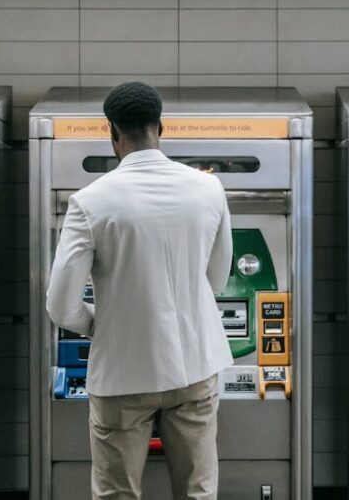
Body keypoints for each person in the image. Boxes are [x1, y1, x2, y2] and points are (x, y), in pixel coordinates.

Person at [46, 82, 233, 500]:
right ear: (160, 127)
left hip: (122, 376)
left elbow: (60, 305)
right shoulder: (209, 188)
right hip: (196, 367)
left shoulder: (89, 202)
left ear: (112, 133)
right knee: (198, 492)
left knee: (117, 494)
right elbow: (217, 280)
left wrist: (101, 325)